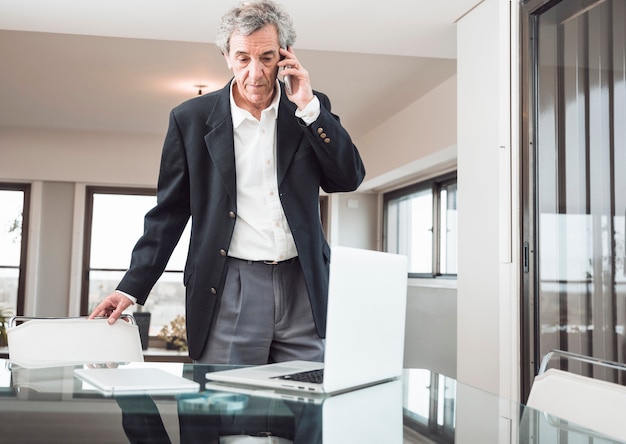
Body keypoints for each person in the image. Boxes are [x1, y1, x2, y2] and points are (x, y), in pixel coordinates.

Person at [89, 0, 365, 365]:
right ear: (226, 56)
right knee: (226, 409)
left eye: (267, 58)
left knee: (306, 407)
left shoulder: (311, 107)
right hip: (229, 284)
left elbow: (348, 178)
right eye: (243, 59)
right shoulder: (190, 119)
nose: (255, 73)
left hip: (304, 284)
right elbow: (169, 213)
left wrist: (309, 108)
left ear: (285, 55)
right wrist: (132, 286)